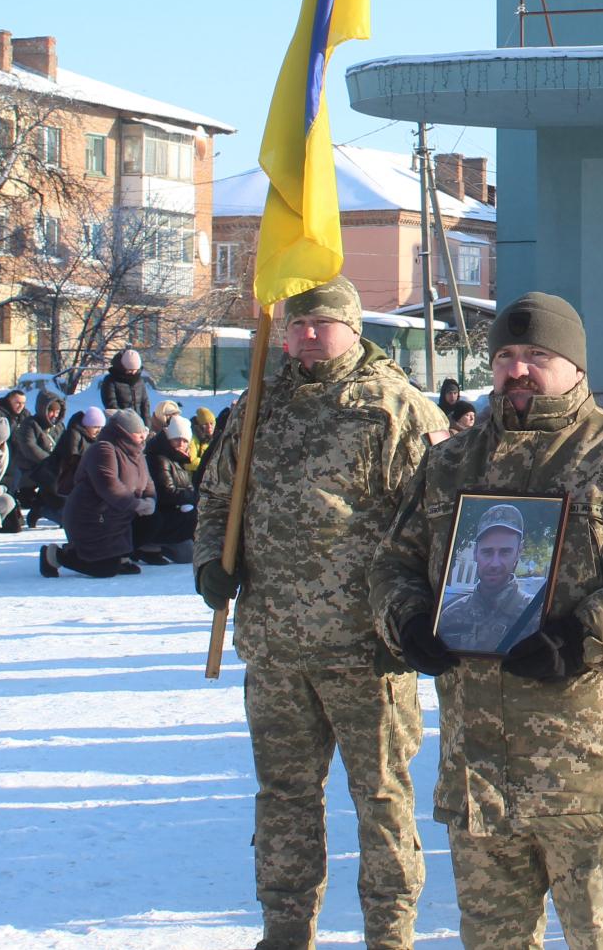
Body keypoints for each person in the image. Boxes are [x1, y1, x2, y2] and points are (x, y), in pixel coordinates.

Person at [369, 291, 603, 950]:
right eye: (505, 356)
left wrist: (585, 633)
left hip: (587, 775)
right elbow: (392, 563)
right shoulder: (447, 464)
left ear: (576, 368)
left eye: (538, 356)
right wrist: (409, 621)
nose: (518, 370)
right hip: (481, 776)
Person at [194, 276, 445, 950]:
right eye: (296, 322)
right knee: (283, 799)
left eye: (321, 322)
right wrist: (209, 566)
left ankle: (389, 935)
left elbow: (434, 523)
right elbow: (217, 499)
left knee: (384, 802)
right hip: (275, 648)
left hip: (366, 649)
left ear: (354, 327)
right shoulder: (259, 405)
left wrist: (413, 613)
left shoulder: (395, 409)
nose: (306, 334)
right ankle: (284, 928)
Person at [41, 410, 153, 578]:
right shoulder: (104, 449)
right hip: (92, 516)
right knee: (104, 569)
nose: (143, 438)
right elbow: (109, 485)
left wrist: (150, 500)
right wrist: (137, 504)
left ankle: (120, 556)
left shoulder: (137, 452)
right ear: (124, 433)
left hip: (118, 517)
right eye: (138, 434)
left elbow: (148, 481)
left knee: (153, 520)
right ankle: (55, 556)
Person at [435, 505, 535, 653]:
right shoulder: (450, 616)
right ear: (475, 553)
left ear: (519, 551)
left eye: (505, 552)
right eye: (487, 552)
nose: (495, 563)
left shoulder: (536, 614)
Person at [138, 415, 198, 565]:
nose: (181, 444)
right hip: (162, 517)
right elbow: (165, 492)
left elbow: (188, 487)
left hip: (175, 513)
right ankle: (153, 545)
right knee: (189, 555)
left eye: (185, 441)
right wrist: (193, 497)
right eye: (177, 439)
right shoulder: (159, 458)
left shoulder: (177, 458)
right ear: (169, 437)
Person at [10, 391, 64, 528]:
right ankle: (48, 510)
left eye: (57, 412)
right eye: (51, 411)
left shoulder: (58, 426)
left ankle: (50, 508)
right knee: (53, 483)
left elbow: (64, 444)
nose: (54, 415)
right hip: (30, 468)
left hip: (52, 467)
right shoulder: (30, 424)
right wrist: (51, 462)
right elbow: (29, 448)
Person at [100, 348, 150, 418]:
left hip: (139, 423)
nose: (133, 373)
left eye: (135, 370)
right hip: (120, 423)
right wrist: (125, 421)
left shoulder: (139, 380)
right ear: (122, 367)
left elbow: (145, 404)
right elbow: (111, 405)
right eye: (130, 370)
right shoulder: (111, 381)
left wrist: (147, 425)